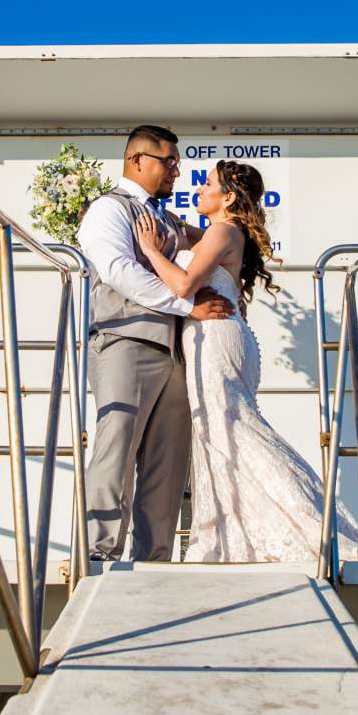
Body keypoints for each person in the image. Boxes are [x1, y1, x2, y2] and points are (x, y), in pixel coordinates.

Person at [130, 158, 358, 565]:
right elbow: (190, 240)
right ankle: (229, 533)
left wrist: (149, 249)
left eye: (208, 185)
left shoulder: (222, 231)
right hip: (223, 336)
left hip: (216, 339)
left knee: (227, 430)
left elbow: (184, 284)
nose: (198, 189)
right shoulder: (220, 231)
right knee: (220, 432)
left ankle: (307, 523)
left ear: (229, 197)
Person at [75, 125, 234, 561]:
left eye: (177, 163)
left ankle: (155, 558)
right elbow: (117, 269)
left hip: (178, 354)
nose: (176, 172)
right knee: (117, 440)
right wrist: (187, 307)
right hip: (125, 340)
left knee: (169, 460)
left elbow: (221, 240)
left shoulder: (166, 219)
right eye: (169, 162)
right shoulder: (109, 209)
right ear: (137, 161)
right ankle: (98, 550)